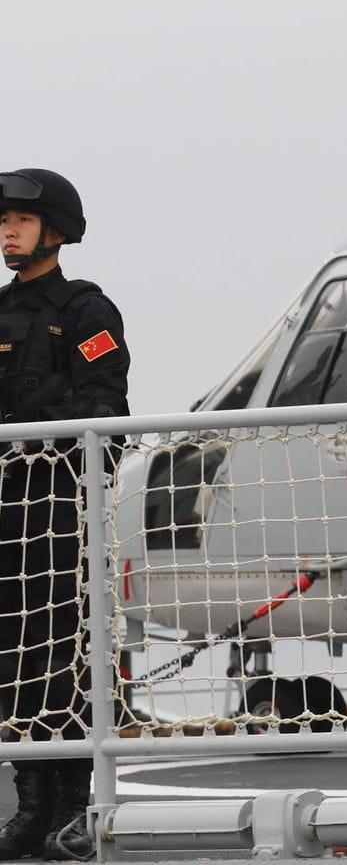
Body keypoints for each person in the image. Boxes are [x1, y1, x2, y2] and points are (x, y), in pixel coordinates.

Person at [0, 170, 129, 862]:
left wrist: (35, 433)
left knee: (62, 654)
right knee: (12, 657)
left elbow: (107, 404)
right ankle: (31, 804)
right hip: (2, 511)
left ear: (53, 229)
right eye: (4, 221)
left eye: (21, 219)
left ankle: (72, 803)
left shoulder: (85, 311)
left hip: (55, 506)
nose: (8, 231)